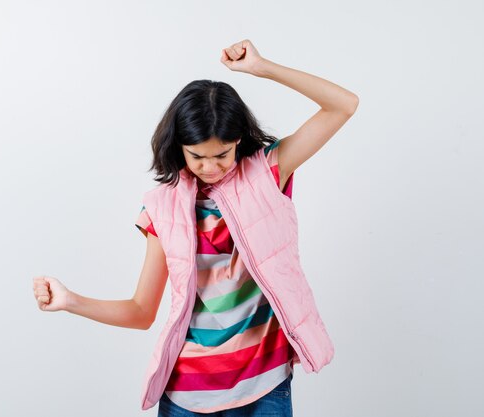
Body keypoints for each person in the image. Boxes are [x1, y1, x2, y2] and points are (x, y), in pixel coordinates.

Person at [32, 39, 358, 417]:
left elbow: (343, 105)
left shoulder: (267, 173)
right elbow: (141, 311)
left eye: (222, 154)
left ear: (238, 140)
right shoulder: (163, 207)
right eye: (197, 156)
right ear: (179, 148)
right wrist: (70, 301)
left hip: (265, 384)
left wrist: (262, 67)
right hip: (187, 395)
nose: (211, 166)